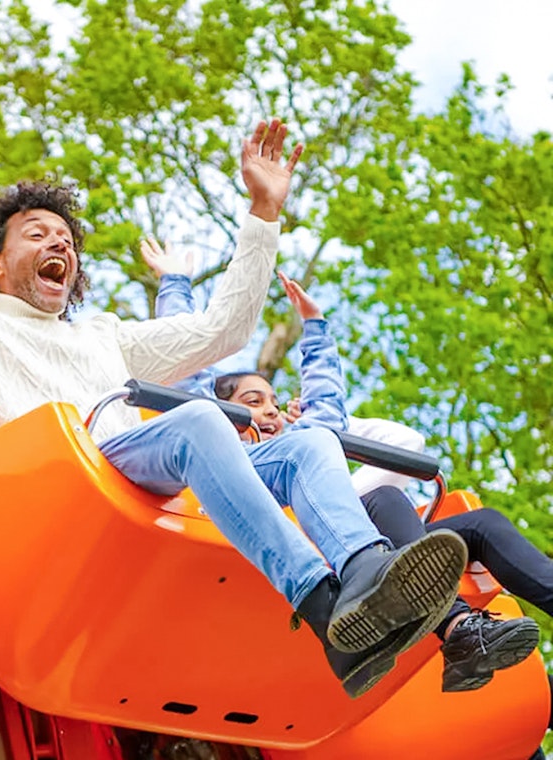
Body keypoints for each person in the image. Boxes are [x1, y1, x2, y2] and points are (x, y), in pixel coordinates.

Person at [0, 65, 467, 698]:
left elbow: (223, 331)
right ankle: (318, 597)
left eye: (65, 238)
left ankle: (363, 574)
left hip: (125, 479)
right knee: (199, 420)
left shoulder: (103, 338)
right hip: (38, 497)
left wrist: (263, 212)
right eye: (37, 234)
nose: (57, 242)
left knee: (309, 444)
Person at [146, 246, 541, 694]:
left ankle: (462, 630)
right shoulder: (223, 456)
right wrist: (175, 284)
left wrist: (315, 327)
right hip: (288, 539)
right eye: (252, 403)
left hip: (357, 542)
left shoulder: (304, 446)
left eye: (275, 402)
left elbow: (327, 410)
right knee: (386, 498)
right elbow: (187, 368)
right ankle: (458, 630)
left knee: (480, 524)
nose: (270, 411)